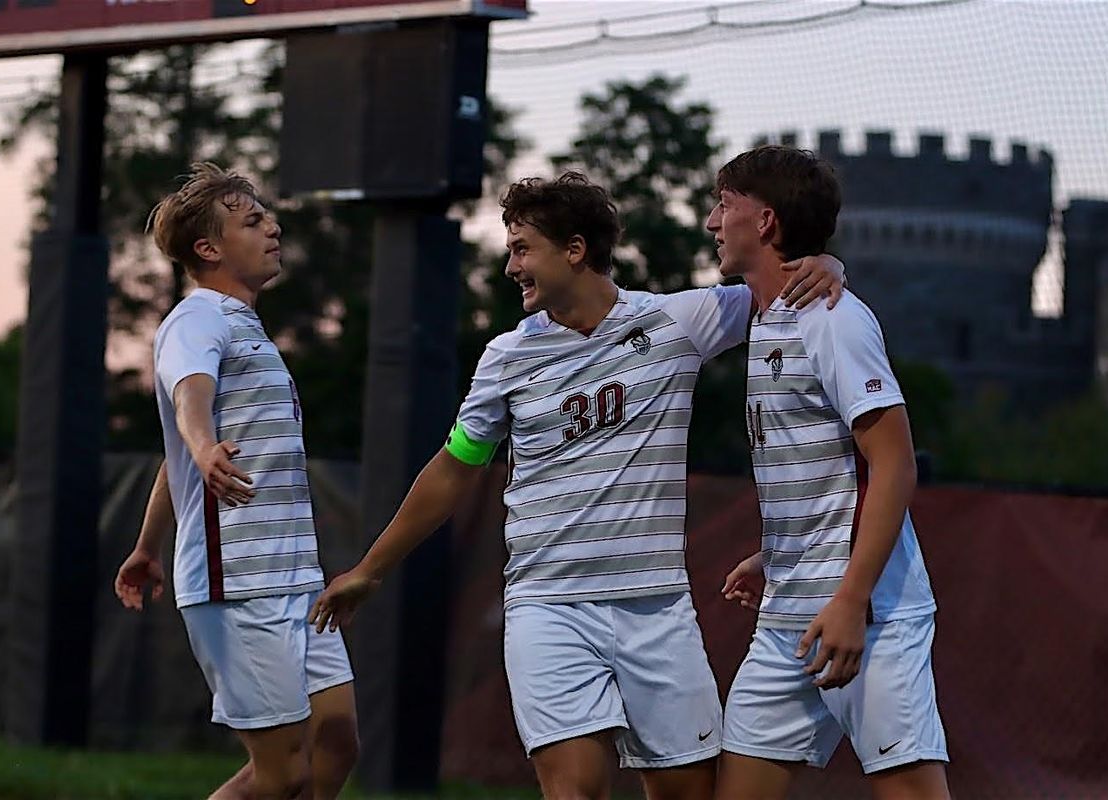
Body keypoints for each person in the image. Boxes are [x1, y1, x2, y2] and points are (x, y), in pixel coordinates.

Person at [307, 171, 845, 800]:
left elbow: (775, 285)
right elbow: (455, 466)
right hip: (548, 607)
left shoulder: (676, 323)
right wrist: (371, 568)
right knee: (575, 792)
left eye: (522, 248)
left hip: (656, 608)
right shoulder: (507, 357)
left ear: (575, 250)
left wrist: (829, 262)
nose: (511, 266)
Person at [708, 145, 950, 799]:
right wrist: (777, 549)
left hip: (867, 615)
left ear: (762, 222)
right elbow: (826, 463)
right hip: (789, 611)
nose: (710, 222)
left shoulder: (834, 317)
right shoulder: (763, 316)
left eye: (723, 205)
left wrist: (848, 600)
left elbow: (895, 465)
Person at [113, 163, 358, 800]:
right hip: (240, 581)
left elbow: (180, 454)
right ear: (209, 249)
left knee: (337, 740)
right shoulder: (197, 319)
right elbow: (189, 403)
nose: (272, 226)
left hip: (296, 577)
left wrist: (145, 547)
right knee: (283, 773)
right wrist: (200, 443)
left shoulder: (244, 326)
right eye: (252, 220)